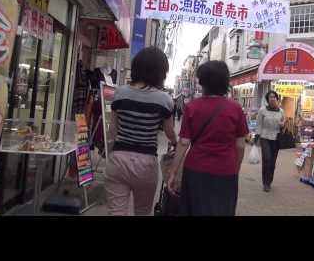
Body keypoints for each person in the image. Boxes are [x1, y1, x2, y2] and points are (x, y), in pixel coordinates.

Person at [167, 61, 249, 216]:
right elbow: (240, 146)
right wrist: (235, 167)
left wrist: (173, 172)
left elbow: (184, 143)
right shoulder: (236, 108)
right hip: (226, 171)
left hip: (196, 169)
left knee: (194, 209)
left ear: (202, 82)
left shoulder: (193, 107)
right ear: (225, 82)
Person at [105, 47, 177, 216]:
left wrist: (109, 150)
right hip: (146, 164)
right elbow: (169, 133)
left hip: (118, 160)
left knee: (116, 212)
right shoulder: (165, 100)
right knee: (143, 211)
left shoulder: (120, 93)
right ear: (160, 72)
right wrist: (176, 144)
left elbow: (113, 129)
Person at [256, 91, 285, 192]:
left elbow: (283, 123)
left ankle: (269, 180)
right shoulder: (262, 110)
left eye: (274, 97)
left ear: (277, 99)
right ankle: (265, 183)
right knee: (267, 159)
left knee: (272, 162)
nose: (272, 99)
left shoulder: (281, 111)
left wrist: (282, 125)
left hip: (276, 138)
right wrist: (257, 137)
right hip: (265, 137)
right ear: (267, 99)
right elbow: (259, 124)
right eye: (270, 97)